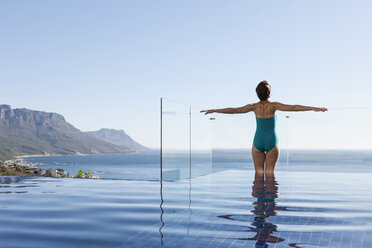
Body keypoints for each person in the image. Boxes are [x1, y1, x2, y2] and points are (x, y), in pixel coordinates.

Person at [200, 80, 327, 175]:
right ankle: (271, 209)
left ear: (257, 94)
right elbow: (294, 107)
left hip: (258, 142)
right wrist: (313, 108)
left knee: (258, 175)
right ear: (269, 93)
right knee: (270, 175)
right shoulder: (274, 106)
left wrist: (214, 110)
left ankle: (258, 210)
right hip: (272, 142)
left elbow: (233, 110)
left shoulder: (253, 106)